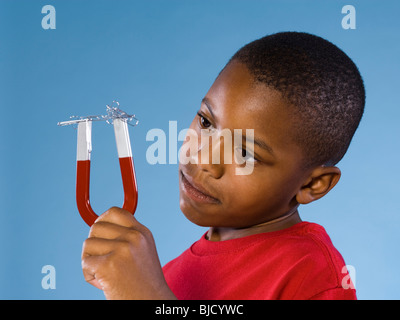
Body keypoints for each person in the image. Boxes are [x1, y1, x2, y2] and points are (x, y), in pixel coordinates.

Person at [81, 32, 364, 300]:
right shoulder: (164, 274)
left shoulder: (314, 277)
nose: (203, 159)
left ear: (312, 184)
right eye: (205, 122)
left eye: (244, 153)